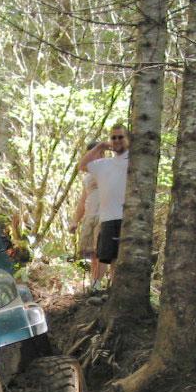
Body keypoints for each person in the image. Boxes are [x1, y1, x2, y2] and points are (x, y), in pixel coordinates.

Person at [76, 125, 129, 286]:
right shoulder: (102, 165)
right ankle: (96, 285)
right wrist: (100, 146)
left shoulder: (129, 161)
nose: (117, 140)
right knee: (103, 254)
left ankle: (113, 286)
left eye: (120, 137)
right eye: (113, 137)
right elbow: (82, 166)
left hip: (122, 215)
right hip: (105, 217)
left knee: (116, 257)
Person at [69, 141, 106, 291]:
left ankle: (98, 283)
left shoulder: (108, 169)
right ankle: (94, 283)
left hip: (104, 215)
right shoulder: (87, 177)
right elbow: (82, 201)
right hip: (90, 215)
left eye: (99, 153)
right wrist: (75, 221)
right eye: (91, 154)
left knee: (102, 250)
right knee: (92, 252)